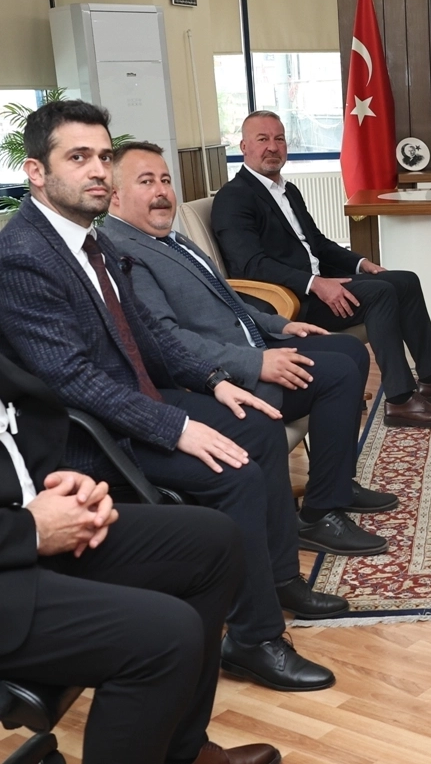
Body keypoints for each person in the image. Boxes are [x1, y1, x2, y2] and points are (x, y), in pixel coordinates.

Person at [0, 100, 339, 693]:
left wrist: (215, 381)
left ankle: (278, 578)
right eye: (77, 157)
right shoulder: (23, 255)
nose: (98, 170)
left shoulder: (91, 240)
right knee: (234, 469)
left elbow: (150, 337)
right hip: (85, 435)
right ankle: (254, 638)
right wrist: (177, 427)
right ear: (36, 172)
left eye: (102, 156)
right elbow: (71, 379)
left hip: (137, 403)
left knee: (258, 427)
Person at [102, 140, 395, 556]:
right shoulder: (124, 253)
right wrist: (255, 362)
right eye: (146, 182)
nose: (162, 191)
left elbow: (229, 299)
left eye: (165, 180)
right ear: (114, 196)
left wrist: (282, 324)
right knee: (338, 373)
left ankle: (337, 483)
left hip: (248, 342)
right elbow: (168, 341)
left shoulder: (171, 239)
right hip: (219, 377)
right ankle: (319, 514)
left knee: (347, 349)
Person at [0, 355, 280, 764]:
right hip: (14, 550)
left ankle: (180, 752)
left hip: (24, 525)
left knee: (213, 542)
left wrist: (63, 481)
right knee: (165, 635)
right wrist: (34, 531)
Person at [211, 111, 431, 428]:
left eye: (279, 139)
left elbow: (317, 243)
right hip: (289, 301)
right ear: (244, 146)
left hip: (314, 285)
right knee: (380, 293)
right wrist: (316, 284)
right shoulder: (234, 198)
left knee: (405, 281)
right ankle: (400, 401)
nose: (272, 147)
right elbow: (251, 265)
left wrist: (360, 263)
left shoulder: (288, 191)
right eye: (262, 139)